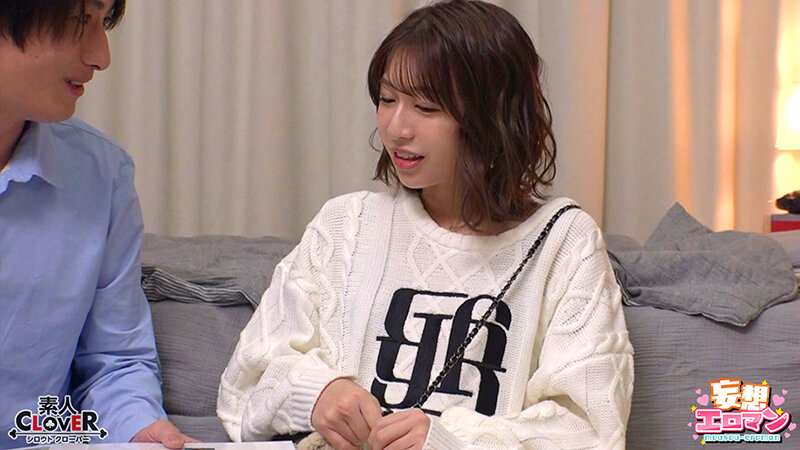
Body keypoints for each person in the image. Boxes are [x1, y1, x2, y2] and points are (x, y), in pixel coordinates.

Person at [217, 1, 634, 448]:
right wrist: (316, 393)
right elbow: (244, 385)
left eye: (426, 107)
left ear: (494, 115)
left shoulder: (565, 243)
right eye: (387, 99)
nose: (397, 128)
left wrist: (447, 443)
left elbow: (589, 428)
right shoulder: (346, 225)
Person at [0, 1, 191, 448]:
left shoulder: (99, 175)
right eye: (79, 19)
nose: (101, 56)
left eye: (102, 22)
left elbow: (113, 362)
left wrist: (136, 429)